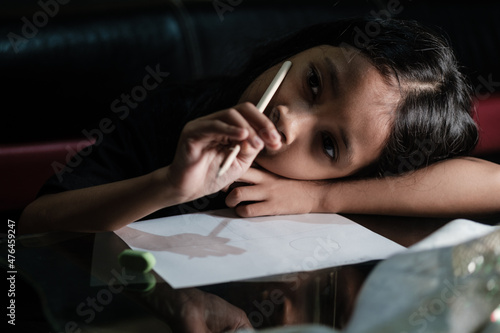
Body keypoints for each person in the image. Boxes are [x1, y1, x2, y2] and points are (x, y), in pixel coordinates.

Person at [19, 17, 500, 234]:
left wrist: (321, 198)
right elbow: (32, 225)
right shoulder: (176, 112)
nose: (288, 121)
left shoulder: (329, 186)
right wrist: (167, 185)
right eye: (313, 82)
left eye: (329, 146)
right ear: (305, 46)